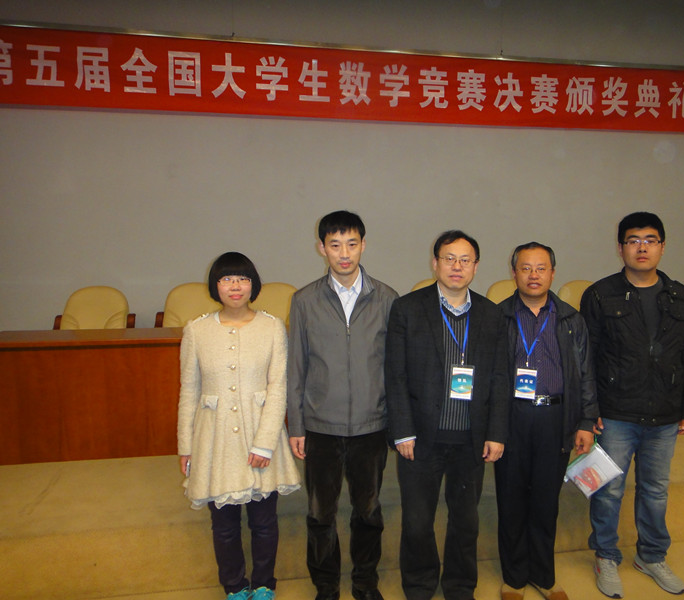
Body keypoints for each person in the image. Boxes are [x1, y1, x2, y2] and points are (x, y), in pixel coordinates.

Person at [580, 212, 684, 598]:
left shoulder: (680, 295)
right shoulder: (600, 294)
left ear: (662, 246)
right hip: (616, 412)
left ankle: (651, 555)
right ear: (620, 248)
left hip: (664, 413)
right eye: (633, 240)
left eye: (650, 240)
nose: (642, 247)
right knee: (608, 489)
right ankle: (606, 555)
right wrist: (589, 410)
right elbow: (586, 357)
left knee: (655, 489)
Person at [385, 230, 509, 600]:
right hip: (421, 437)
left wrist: (496, 432)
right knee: (418, 521)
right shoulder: (407, 309)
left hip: (471, 438)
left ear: (476, 267)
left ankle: (459, 586)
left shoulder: (491, 314)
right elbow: (395, 374)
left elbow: (500, 376)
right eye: (449, 258)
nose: (457, 266)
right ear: (435, 263)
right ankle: (419, 586)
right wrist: (402, 430)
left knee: (466, 521)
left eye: (465, 260)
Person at [177, 251, 301, 600]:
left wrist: (265, 443)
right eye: (227, 279)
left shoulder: (272, 327)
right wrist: (185, 446)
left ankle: (263, 584)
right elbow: (189, 391)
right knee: (224, 524)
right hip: (213, 439)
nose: (235, 286)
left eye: (243, 279)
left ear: (253, 285)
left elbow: (278, 388)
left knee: (264, 521)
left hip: (260, 434)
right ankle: (233, 586)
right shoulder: (196, 330)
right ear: (215, 285)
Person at [287, 210, 398, 600]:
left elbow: (394, 368)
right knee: (321, 514)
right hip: (321, 427)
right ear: (322, 248)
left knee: (368, 512)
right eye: (335, 245)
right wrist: (296, 425)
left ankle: (365, 584)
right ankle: (327, 586)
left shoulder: (387, 299)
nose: (344, 253)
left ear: (364, 245)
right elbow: (296, 367)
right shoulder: (304, 300)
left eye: (352, 244)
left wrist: (396, 423)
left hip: (371, 425)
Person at [495, 242, 599, 600]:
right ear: (514, 273)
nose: (533, 275)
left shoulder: (571, 319)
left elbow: (586, 373)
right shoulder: (498, 317)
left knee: (545, 500)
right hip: (512, 416)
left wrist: (586, 421)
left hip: (556, 417)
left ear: (553, 273)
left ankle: (543, 574)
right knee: (511, 498)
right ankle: (514, 578)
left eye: (541, 268)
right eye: (526, 268)